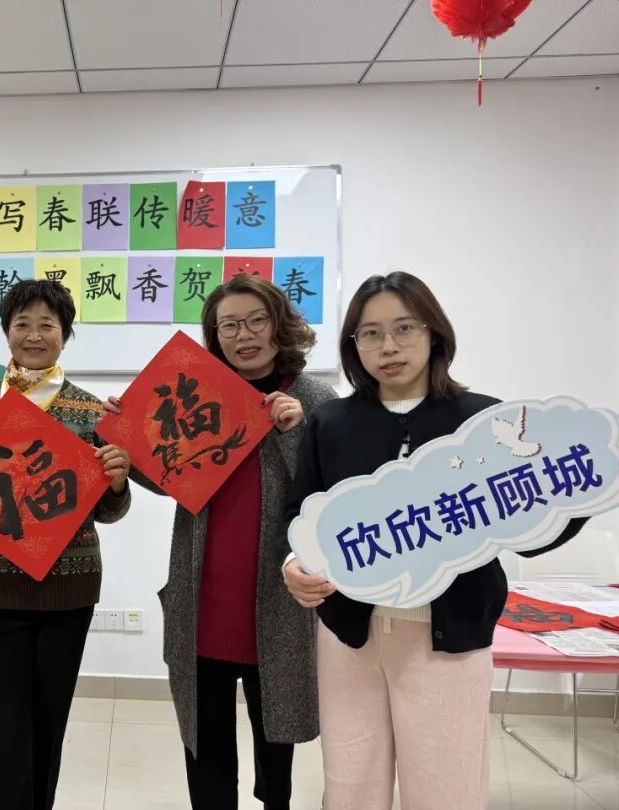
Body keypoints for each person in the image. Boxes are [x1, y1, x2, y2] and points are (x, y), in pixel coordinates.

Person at [282, 272, 584, 810]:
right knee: (350, 784)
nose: (388, 346)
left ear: (434, 333)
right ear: (353, 345)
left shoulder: (486, 420)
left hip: (449, 637)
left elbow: (534, 528)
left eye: (404, 328)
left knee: (446, 788)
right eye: (370, 333)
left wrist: (578, 492)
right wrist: (293, 564)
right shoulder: (330, 422)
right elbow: (300, 513)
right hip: (350, 635)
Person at [106, 274, 336, 810]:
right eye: (229, 326)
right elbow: (167, 477)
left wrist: (294, 431)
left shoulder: (315, 399)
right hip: (203, 600)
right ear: (215, 336)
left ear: (280, 326)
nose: (244, 335)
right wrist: (129, 435)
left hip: (277, 603)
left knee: (275, 745)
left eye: (257, 321)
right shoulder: (198, 392)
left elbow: (330, 493)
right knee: (205, 745)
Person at [0, 279, 132, 810]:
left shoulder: (91, 412)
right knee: (1, 724)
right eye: (22, 324)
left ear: (65, 334)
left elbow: (109, 513)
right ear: (6, 332)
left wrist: (116, 483)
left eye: (47, 325)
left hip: (68, 587)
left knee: (49, 719)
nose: (34, 335)